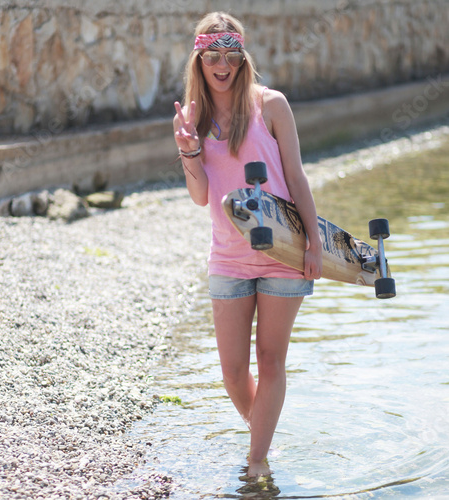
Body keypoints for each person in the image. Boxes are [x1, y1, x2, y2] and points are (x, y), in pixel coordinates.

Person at [173, 12, 322, 477]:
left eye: (230, 56)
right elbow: (201, 197)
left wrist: (314, 244)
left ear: (241, 59)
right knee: (234, 373)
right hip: (228, 257)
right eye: (212, 56)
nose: (222, 66)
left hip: (283, 252)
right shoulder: (191, 120)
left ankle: (256, 464)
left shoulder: (271, 105)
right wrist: (187, 149)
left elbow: (296, 177)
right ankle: (265, 439)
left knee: (271, 359)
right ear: (199, 60)